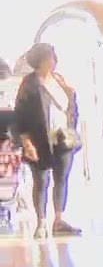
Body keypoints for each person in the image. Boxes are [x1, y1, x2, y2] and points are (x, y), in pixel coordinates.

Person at [13, 43, 85, 238]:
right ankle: (41, 221)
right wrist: (26, 142)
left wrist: (71, 94)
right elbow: (20, 116)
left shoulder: (59, 80)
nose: (54, 60)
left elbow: (72, 111)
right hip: (39, 139)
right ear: (43, 59)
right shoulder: (30, 84)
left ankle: (59, 219)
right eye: (51, 56)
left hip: (62, 138)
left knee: (61, 179)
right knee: (41, 180)